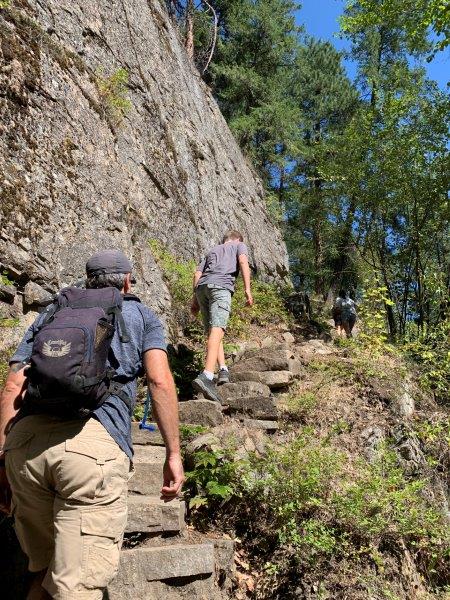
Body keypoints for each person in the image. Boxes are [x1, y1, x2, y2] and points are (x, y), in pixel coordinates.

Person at [0, 250, 184, 600]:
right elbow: (160, 382)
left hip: (25, 448)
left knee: (45, 571)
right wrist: (173, 452)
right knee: (77, 588)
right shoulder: (140, 314)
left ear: (88, 280)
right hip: (92, 451)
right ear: (128, 280)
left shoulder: (53, 312)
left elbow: (13, 384)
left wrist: (1, 459)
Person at [190, 231, 253, 402]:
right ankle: (208, 375)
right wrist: (247, 289)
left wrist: (194, 300)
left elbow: (197, 274)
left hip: (202, 289)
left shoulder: (212, 251)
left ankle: (223, 369)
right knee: (218, 329)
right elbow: (242, 261)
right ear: (237, 239)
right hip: (221, 286)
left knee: (213, 332)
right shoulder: (239, 245)